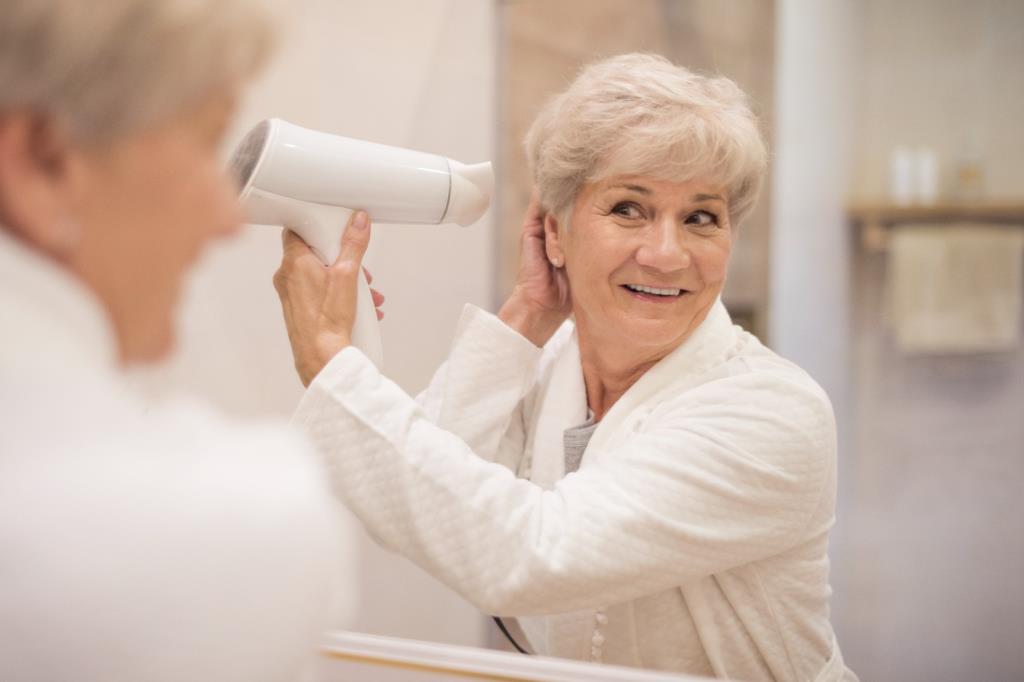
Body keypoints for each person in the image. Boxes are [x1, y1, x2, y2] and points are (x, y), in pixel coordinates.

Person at [273, 53, 857, 681]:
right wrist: (527, 313)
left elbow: (532, 556)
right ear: (554, 232)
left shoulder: (771, 412)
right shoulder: (552, 367)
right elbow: (414, 494)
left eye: (700, 217)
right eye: (629, 208)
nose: (666, 254)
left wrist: (331, 361)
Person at [0, 1, 361, 679]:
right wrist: (341, 368)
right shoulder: (234, 518)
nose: (230, 219)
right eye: (206, 140)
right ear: (44, 163)